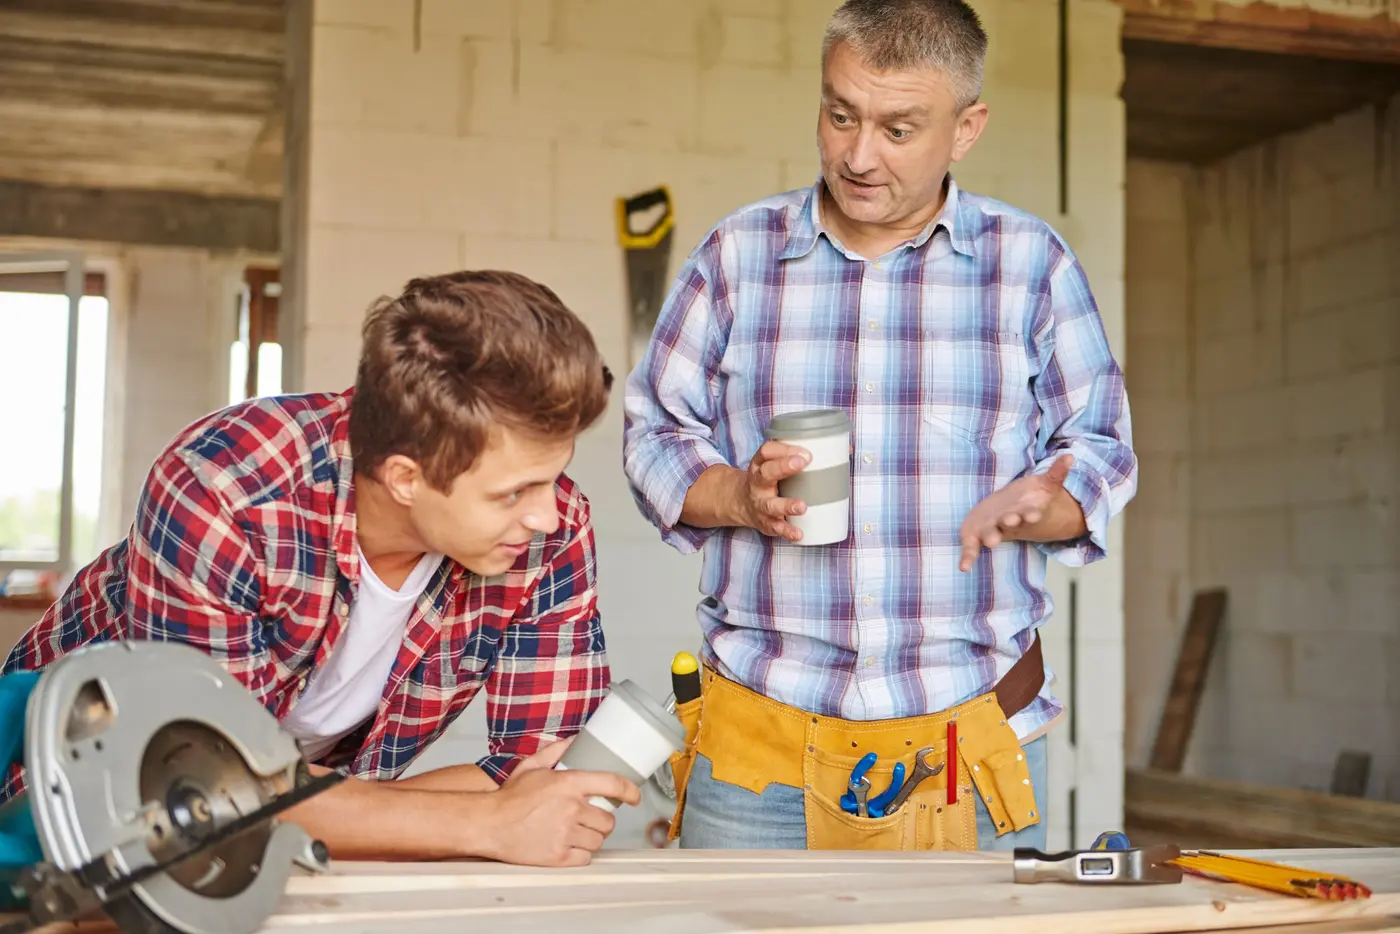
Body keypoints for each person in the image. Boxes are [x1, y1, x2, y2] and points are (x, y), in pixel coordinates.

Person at [623, 0, 1136, 852]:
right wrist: (739, 497)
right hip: (758, 756)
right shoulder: (736, 256)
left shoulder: (1030, 265)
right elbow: (655, 434)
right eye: (840, 115)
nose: (858, 156)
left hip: (968, 750)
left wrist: (1042, 507)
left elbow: (1102, 449)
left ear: (966, 128)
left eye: (899, 129)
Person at [3, 270, 639, 867]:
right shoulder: (224, 493)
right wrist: (482, 825)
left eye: (552, 479)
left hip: (254, 842)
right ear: (405, 479)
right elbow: (199, 781)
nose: (549, 517)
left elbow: (542, 777)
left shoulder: (546, 531)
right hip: (59, 816)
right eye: (513, 493)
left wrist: (366, 820)